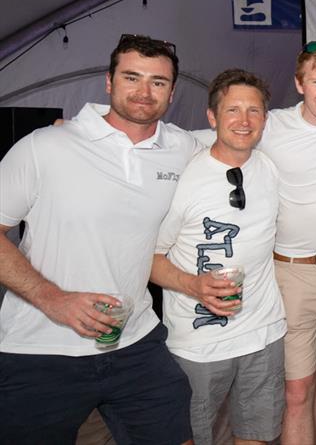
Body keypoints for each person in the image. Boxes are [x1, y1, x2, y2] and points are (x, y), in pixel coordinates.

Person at [0, 34, 196, 443]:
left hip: (135, 341)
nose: (144, 92)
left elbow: (238, 133)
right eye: (131, 77)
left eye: (158, 82)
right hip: (40, 349)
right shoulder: (45, 146)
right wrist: (54, 299)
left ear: (172, 93)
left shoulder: (182, 148)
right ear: (109, 82)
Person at [192, 41, 316, 445]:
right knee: (297, 389)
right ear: (299, 84)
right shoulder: (271, 126)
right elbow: (193, 137)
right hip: (292, 273)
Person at [151, 69, 286, 445]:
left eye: (254, 111)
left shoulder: (269, 170)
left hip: (263, 332)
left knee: (257, 435)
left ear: (265, 119)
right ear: (212, 117)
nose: (244, 121)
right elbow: (149, 257)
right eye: (232, 110)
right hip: (198, 343)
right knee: (192, 435)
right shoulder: (182, 179)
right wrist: (194, 284)